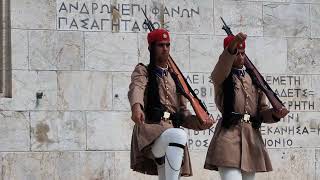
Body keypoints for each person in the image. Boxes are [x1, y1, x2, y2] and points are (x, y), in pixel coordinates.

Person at [128, 28, 213, 180]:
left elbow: (183, 113)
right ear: (151, 48)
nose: (165, 49)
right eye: (160, 45)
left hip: (171, 132)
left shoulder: (176, 78)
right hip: (151, 130)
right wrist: (136, 106)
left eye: (167, 45)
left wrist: (201, 123)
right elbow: (137, 88)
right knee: (179, 135)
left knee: (169, 162)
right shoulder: (144, 70)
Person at [204, 32, 288, 180]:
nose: (241, 57)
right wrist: (232, 46)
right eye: (237, 53)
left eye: (243, 53)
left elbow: (262, 112)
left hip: (251, 140)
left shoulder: (253, 79)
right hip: (228, 138)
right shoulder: (221, 76)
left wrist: (276, 114)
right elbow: (221, 67)